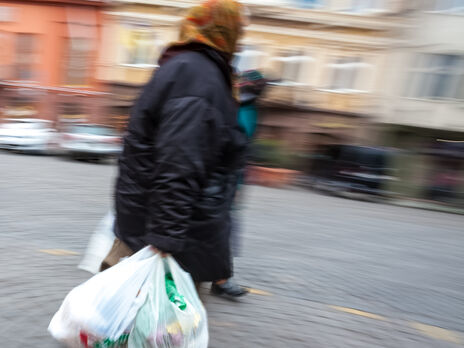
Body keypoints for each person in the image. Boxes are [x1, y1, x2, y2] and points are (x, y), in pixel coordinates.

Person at [100, 0, 248, 297]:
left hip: (151, 225)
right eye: (239, 27)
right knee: (151, 334)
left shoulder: (185, 66)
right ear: (223, 28)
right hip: (166, 238)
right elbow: (179, 163)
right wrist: (164, 241)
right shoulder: (199, 75)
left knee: (123, 329)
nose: (242, 37)